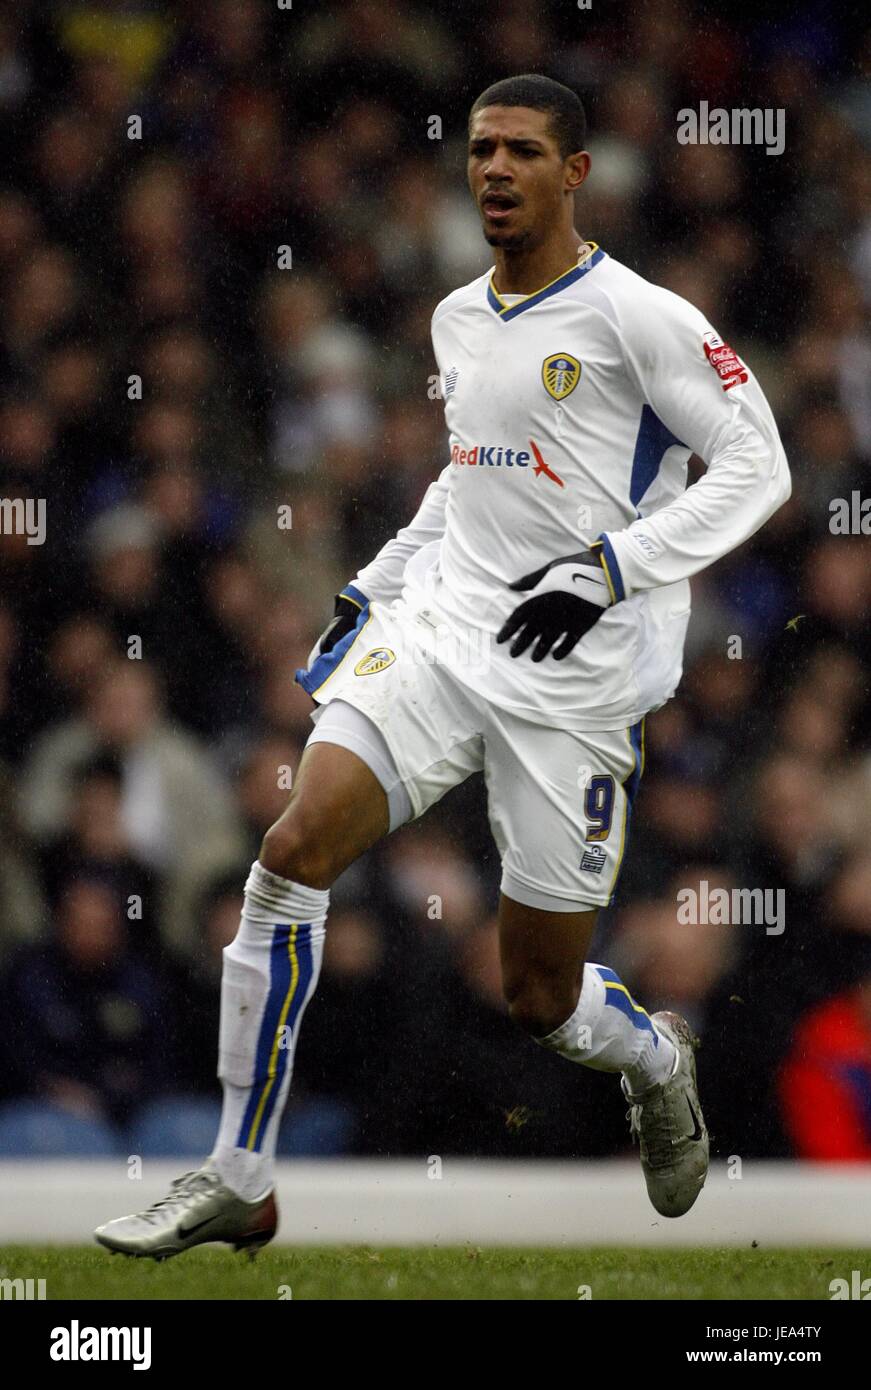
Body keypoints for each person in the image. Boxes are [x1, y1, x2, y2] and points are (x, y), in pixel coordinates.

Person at [95, 74, 790, 1259]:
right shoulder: (457, 317)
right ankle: (238, 1177)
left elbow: (759, 464)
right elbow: (468, 483)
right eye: (480, 150)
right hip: (445, 636)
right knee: (289, 849)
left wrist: (607, 569)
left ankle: (652, 1055)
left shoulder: (640, 317)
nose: (496, 171)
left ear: (574, 172)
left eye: (523, 150)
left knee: (537, 995)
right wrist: (372, 584)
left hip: (574, 682)